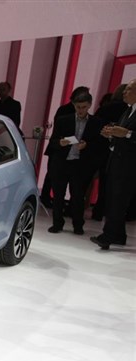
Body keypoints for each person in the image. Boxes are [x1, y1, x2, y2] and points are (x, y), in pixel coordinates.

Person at [44, 92, 102, 235]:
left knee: (78, 196)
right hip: (62, 162)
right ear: (74, 106)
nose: (80, 110)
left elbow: (99, 144)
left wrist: (86, 145)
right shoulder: (63, 120)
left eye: (83, 107)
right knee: (58, 195)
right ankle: (57, 223)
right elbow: (53, 141)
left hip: (81, 164)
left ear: (89, 105)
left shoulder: (96, 123)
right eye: (78, 107)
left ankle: (78, 225)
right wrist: (60, 142)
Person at [91, 79, 136, 249]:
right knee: (114, 199)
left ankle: (107, 236)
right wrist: (111, 134)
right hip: (116, 161)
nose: (124, 92)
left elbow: (128, 134)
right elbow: (121, 134)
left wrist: (128, 134)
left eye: (128, 89)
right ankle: (119, 236)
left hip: (129, 165)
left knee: (118, 201)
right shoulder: (128, 110)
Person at [91, 84, 128, 220]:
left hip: (101, 150)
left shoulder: (106, 108)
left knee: (102, 182)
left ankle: (98, 211)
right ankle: (111, 212)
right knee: (117, 185)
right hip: (121, 153)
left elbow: (94, 126)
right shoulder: (128, 110)